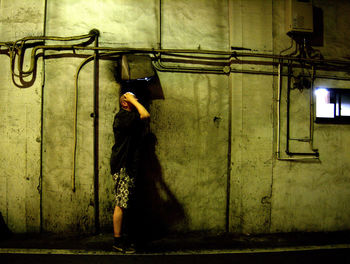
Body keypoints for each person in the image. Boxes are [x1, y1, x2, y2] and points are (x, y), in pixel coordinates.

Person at [110, 91, 150, 253]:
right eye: (132, 99)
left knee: (125, 203)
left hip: (128, 165)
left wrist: (132, 100)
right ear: (125, 103)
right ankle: (118, 240)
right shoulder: (122, 117)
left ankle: (123, 238)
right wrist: (132, 99)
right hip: (123, 165)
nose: (136, 100)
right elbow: (145, 114)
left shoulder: (130, 118)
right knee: (121, 203)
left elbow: (143, 118)